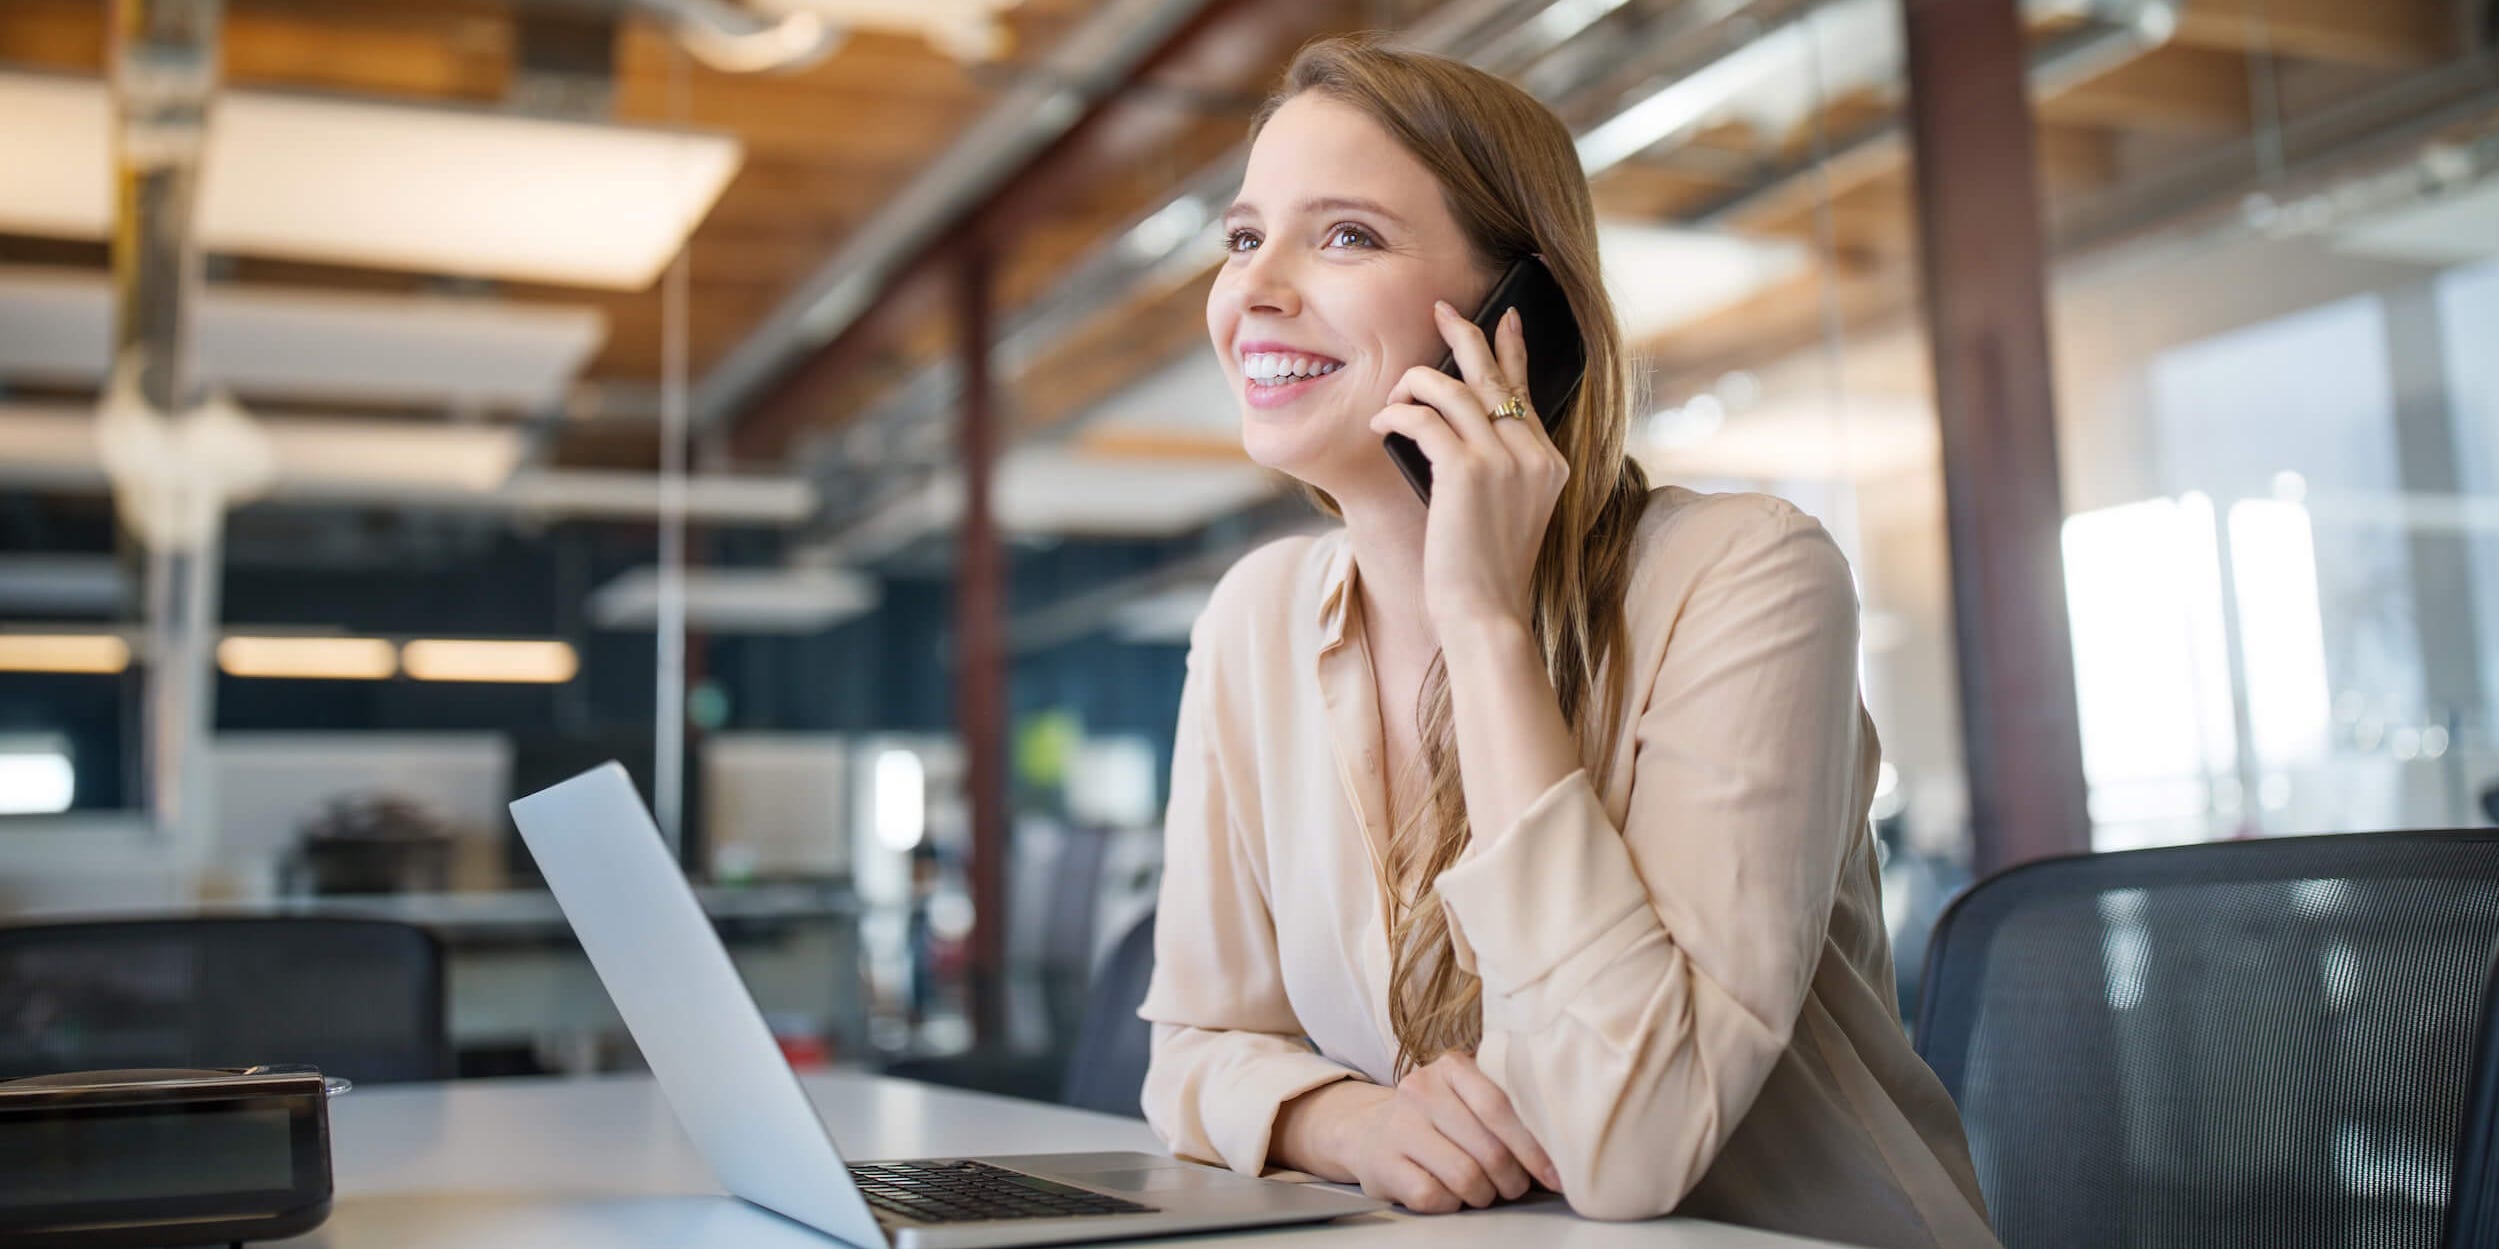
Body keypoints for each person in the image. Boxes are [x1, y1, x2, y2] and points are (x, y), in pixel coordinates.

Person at [1134, 36, 1997, 1249]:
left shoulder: (1745, 577)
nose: (1253, 289)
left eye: (1345, 237)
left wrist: (1483, 622)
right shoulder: (1252, 621)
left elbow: (1631, 1141)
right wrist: (1353, 1125)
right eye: (1241, 236)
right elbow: (1193, 1049)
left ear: (1516, 316)